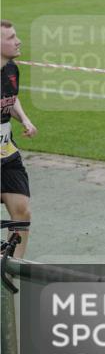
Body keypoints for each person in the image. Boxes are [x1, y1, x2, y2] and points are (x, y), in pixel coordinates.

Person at [1, 20, 37, 258]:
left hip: (6, 151)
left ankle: (11, 270)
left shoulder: (11, 69)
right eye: (11, 37)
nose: (18, 41)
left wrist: (24, 118)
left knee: (22, 212)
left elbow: (11, 99)